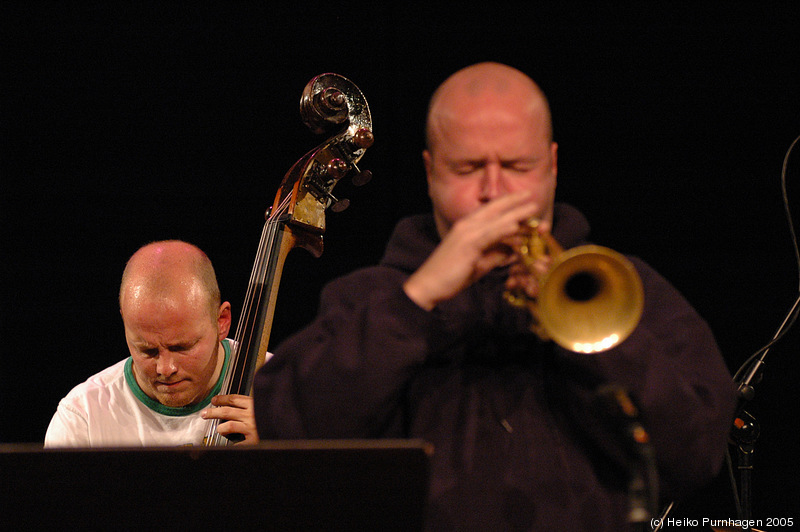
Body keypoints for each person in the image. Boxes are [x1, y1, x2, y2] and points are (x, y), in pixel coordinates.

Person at [252, 62, 737, 530]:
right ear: (430, 172)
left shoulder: (622, 287)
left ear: (550, 165)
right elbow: (288, 434)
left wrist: (596, 340)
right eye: (467, 169)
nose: (493, 191)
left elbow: (697, 455)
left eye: (516, 166)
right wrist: (417, 301)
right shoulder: (371, 297)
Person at [45, 240, 259, 447]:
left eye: (182, 347)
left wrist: (279, 441)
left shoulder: (283, 389)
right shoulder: (83, 418)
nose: (166, 369)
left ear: (222, 322)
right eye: (147, 350)